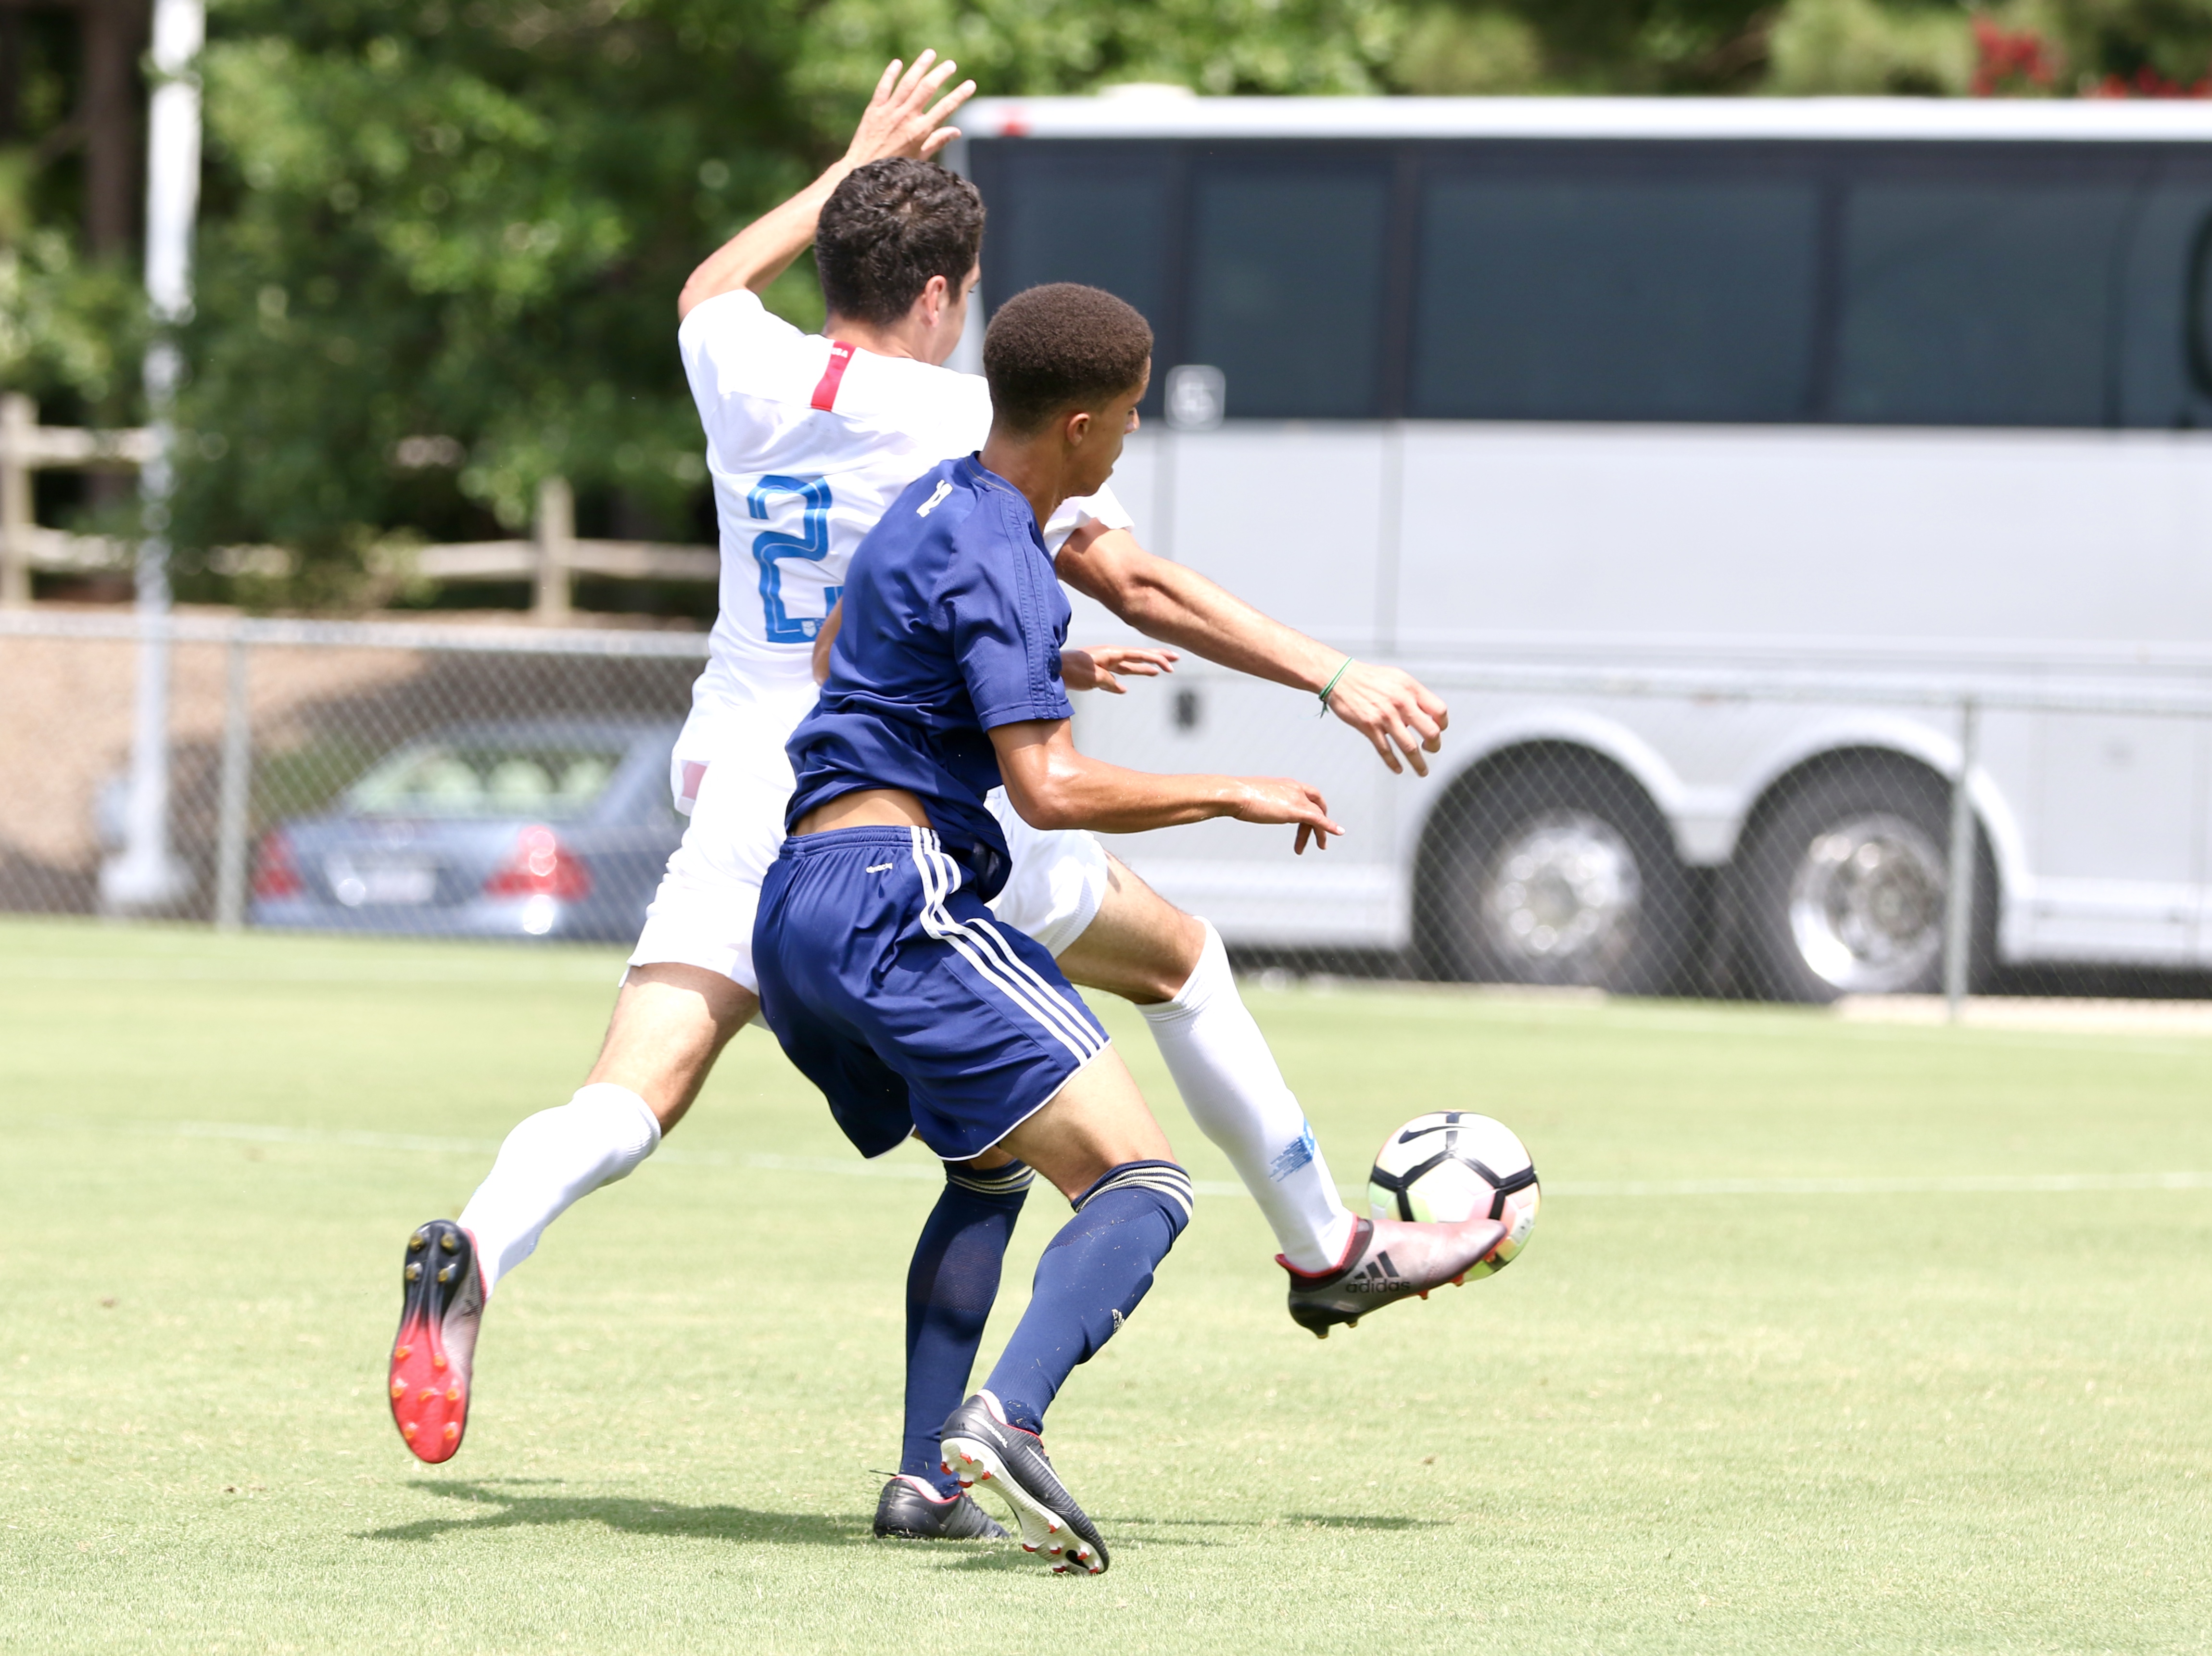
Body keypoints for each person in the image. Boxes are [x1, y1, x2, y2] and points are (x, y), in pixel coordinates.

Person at [384, 55, 1504, 1524]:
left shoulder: (748, 367)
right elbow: (1134, 575)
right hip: (901, 805)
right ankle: (1322, 1245)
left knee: (633, 1091)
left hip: (742, 789)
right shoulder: (960, 421)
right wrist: (1328, 673)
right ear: (941, 297)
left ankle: (480, 1237)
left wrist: (846, 166)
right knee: (1177, 962)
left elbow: (711, 281)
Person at [758, 280, 1381, 1575]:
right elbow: (1048, 788)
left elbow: (835, 656)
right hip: (899, 893)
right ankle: (1008, 1414)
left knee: (989, 1167)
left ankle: (928, 1481)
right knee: (1144, 1183)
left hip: (797, 908)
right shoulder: (1008, 553)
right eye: (1134, 421)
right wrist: (1231, 785)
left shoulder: (935, 504)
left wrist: (1038, 672)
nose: (1131, 443)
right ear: (1086, 428)